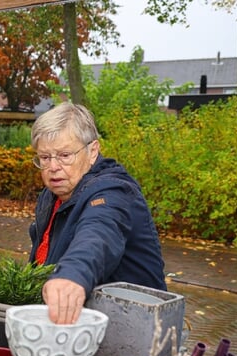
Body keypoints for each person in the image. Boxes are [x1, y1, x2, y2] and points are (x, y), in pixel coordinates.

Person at [27, 102, 166, 325]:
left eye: (64, 155)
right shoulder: (51, 195)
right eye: (44, 157)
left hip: (136, 331)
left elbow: (97, 235)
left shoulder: (114, 192)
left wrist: (71, 276)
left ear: (92, 151)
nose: (53, 167)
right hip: (81, 327)